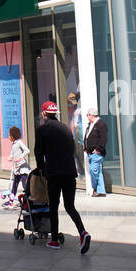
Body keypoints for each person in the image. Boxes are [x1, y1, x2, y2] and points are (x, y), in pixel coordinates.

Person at [33, 102, 91, 253]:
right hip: (70, 172)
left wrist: (41, 169)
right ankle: (83, 233)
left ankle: (54, 241)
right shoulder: (65, 128)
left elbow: (38, 152)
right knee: (70, 206)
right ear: (56, 113)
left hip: (54, 173)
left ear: (44, 113)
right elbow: (71, 149)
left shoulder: (42, 129)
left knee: (53, 207)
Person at [2, 126, 31, 208]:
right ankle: (11, 201)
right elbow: (13, 151)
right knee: (14, 184)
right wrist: (11, 156)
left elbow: (27, 151)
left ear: (13, 136)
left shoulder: (19, 142)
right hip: (17, 168)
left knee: (25, 185)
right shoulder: (14, 144)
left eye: (9, 135)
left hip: (23, 168)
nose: (8, 137)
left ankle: (29, 202)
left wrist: (20, 158)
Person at [84, 108, 108, 197]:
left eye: (87, 115)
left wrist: (98, 149)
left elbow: (103, 139)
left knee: (94, 171)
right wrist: (86, 147)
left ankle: (94, 188)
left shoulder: (101, 124)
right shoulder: (91, 124)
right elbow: (87, 137)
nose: (87, 117)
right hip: (90, 152)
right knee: (98, 172)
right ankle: (101, 191)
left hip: (96, 153)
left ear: (92, 115)